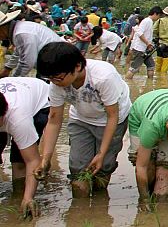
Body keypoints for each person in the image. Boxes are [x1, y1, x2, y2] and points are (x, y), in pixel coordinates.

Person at [35, 42, 131, 194]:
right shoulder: (56, 84)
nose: (55, 83)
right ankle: (80, 211)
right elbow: (54, 120)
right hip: (81, 118)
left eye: (58, 78)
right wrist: (46, 158)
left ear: (78, 66)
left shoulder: (103, 77)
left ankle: (100, 206)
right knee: (78, 169)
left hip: (112, 119)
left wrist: (101, 154)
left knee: (104, 166)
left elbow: (113, 116)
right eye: (50, 78)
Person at [0, 77, 51, 215]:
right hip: (15, 90)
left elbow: (32, 160)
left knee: (20, 162)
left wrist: (28, 198)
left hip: (40, 101)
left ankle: (19, 195)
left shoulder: (19, 119)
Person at [0, 9, 62, 78]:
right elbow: (19, 51)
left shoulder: (21, 33)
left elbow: (27, 62)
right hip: (51, 60)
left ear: (2, 28)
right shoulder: (20, 28)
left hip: (56, 64)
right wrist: (7, 68)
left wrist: (14, 80)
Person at [126, 6, 162, 80]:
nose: (158, 18)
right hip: (140, 49)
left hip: (145, 49)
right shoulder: (147, 21)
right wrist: (148, 43)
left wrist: (149, 44)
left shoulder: (149, 21)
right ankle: (127, 83)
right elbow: (139, 33)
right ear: (155, 14)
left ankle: (149, 84)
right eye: (159, 16)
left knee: (151, 66)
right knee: (134, 68)